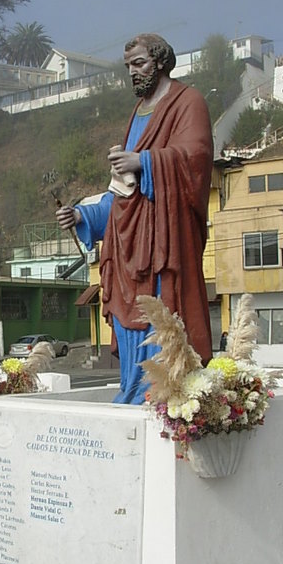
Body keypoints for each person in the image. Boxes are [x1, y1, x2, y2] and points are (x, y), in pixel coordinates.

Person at [56, 33, 213, 404]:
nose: (133, 72)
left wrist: (143, 161)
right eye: (128, 66)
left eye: (139, 63)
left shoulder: (188, 102)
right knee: (130, 321)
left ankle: (159, 391)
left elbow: (195, 158)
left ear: (160, 62)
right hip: (129, 246)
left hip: (164, 241)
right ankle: (132, 388)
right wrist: (81, 214)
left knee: (160, 319)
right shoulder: (139, 112)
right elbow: (123, 192)